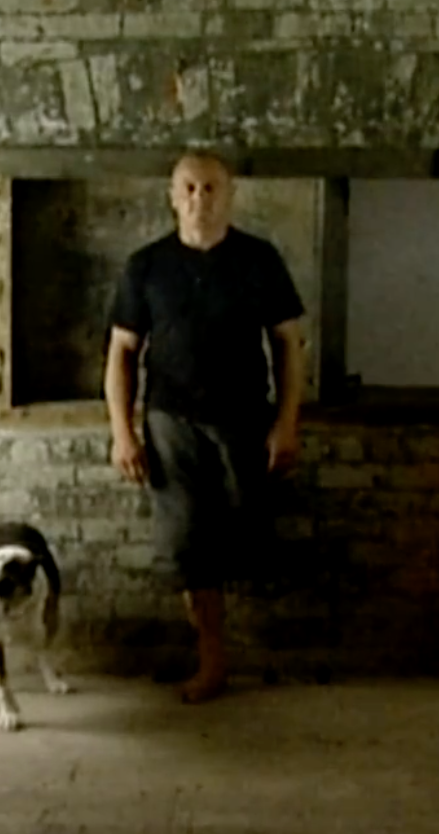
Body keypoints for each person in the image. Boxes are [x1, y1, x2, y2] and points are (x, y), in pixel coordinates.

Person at [103, 149, 307, 704]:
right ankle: (212, 662)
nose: (200, 199)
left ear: (230, 195)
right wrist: (123, 432)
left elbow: (289, 345)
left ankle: (264, 653)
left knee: (249, 537)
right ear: (173, 197)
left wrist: (286, 424)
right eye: (189, 188)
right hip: (172, 422)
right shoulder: (145, 267)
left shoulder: (260, 260)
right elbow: (121, 352)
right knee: (189, 544)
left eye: (211, 188)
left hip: (245, 418)